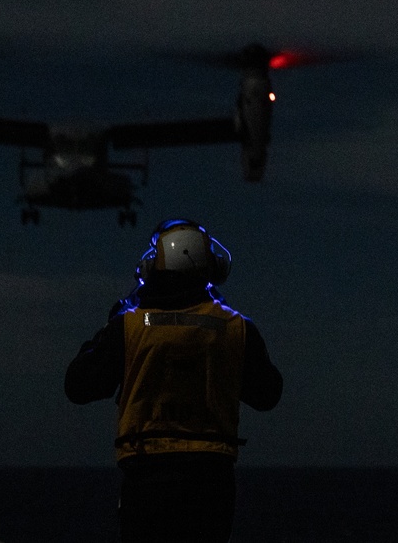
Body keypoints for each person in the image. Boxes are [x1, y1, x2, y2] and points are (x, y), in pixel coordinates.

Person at [65, 219, 283, 542]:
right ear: (212, 267)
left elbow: (77, 385)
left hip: (147, 480)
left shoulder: (130, 326)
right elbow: (268, 394)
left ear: (155, 266)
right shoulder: (236, 329)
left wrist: (112, 324)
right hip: (211, 483)